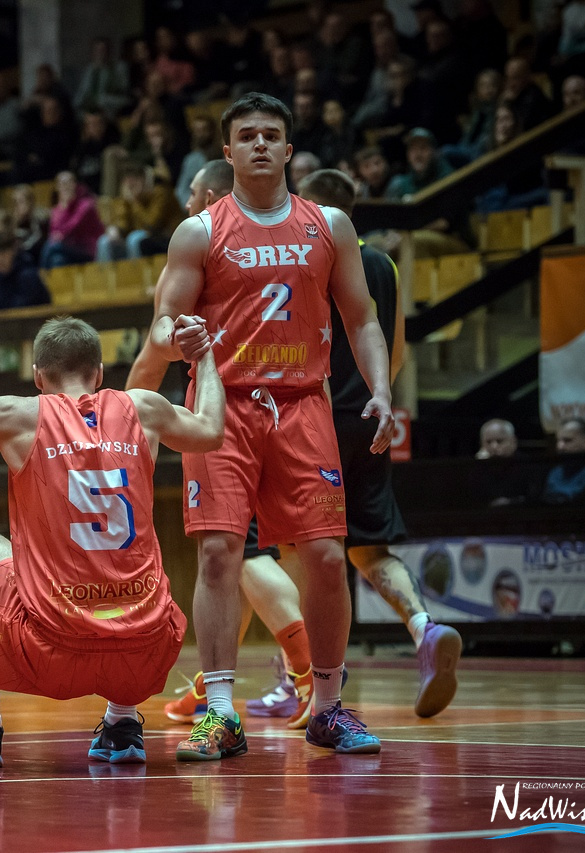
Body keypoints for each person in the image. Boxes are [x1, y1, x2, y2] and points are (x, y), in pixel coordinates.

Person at [128, 93, 395, 758]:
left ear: (289, 149)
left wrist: (384, 391)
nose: (259, 144)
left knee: (327, 558)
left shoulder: (328, 225)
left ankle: (328, 707)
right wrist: (175, 336)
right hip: (222, 406)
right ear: (228, 151)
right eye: (246, 135)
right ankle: (220, 713)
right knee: (220, 554)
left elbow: (362, 317)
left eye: (270, 135)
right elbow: (161, 324)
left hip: (304, 403)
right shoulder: (199, 232)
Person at [0, 316, 224, 766]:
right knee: (136, 583)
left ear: (37, 376)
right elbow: (211, 429)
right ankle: (123, 723)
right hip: (144, 654)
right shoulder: (145, 408)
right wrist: (204, 356)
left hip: (49, 653)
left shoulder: (15, 415)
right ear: (99, 373)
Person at [138, 158, 317, 730]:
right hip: (285, 408)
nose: (188, 204)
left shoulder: (214, 242)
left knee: (248, 554)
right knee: (228, 557)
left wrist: (123, 411)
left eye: (194, 193)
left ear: (215, 195)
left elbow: (152, 352)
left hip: (258, 412)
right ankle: (211, 690)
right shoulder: (209, 251)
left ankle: (307, 672)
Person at [298, 169, 462, 717]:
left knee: (302, 550)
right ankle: (425, 628)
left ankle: (312, 677)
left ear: (316, 207)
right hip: (372, 413)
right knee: (369, 549)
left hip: (316, 418)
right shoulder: (384, 264)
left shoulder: (310, 254)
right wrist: (380, 398)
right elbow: (396, 349)